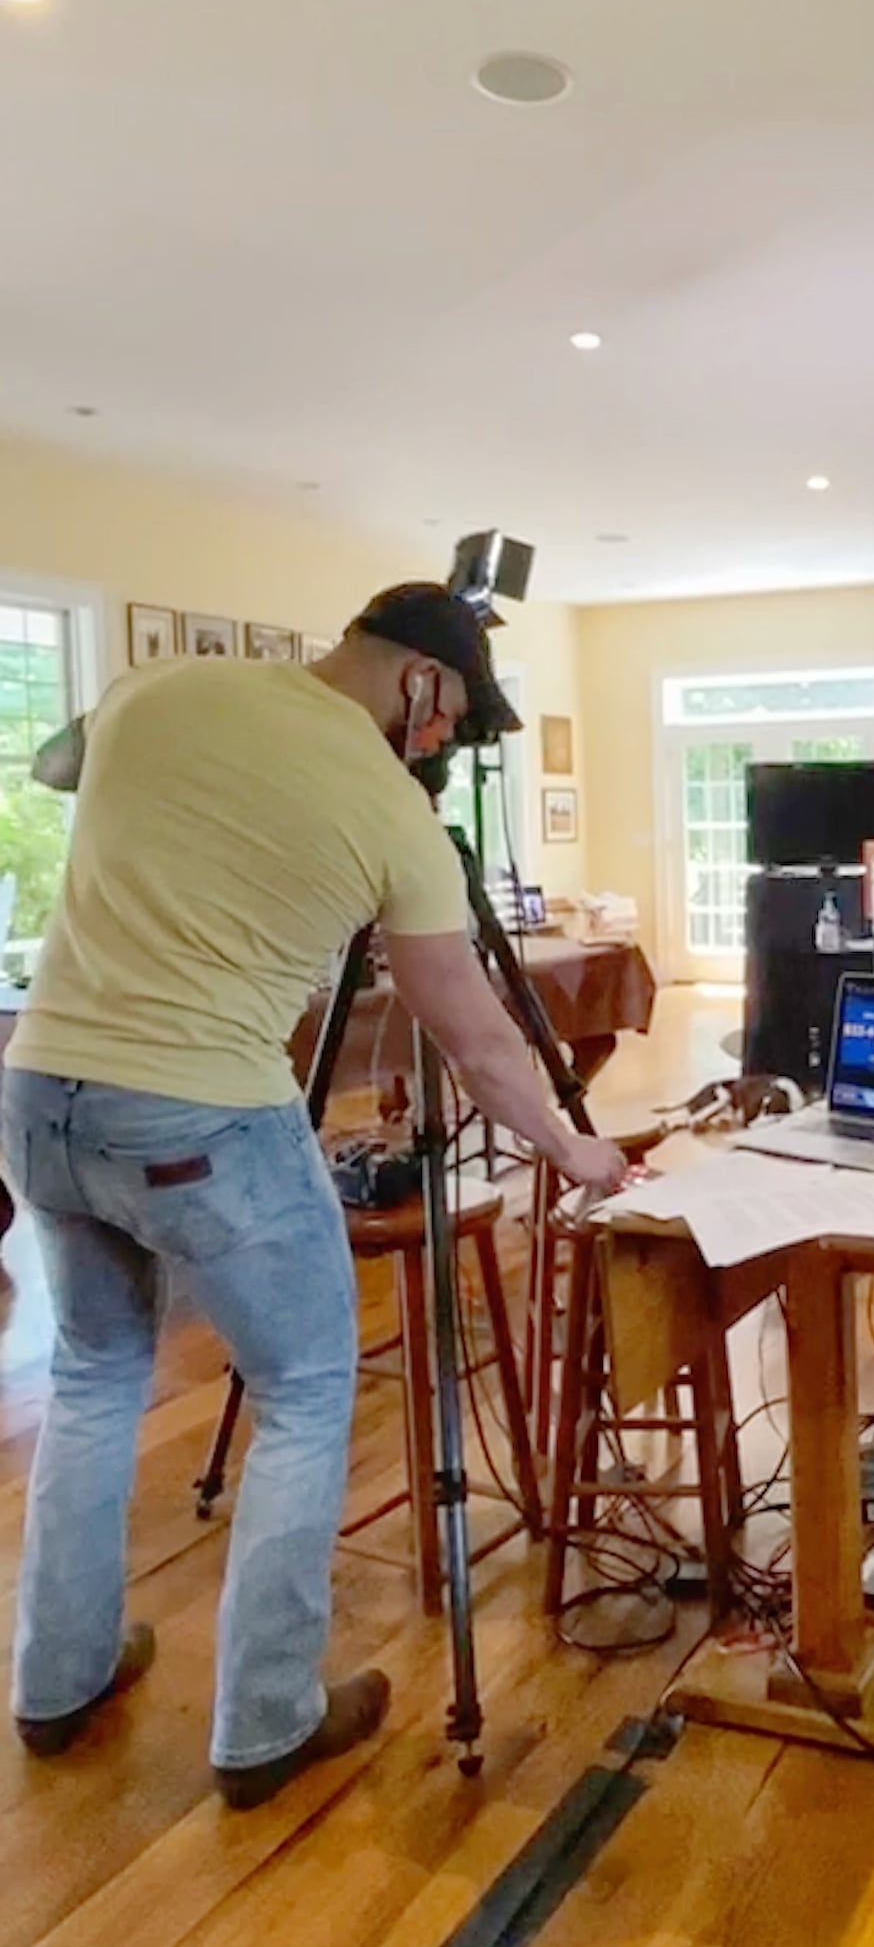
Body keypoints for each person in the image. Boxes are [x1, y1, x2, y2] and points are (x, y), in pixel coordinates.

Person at [0, 583, 627, 1808]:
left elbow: (52, 762)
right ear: (421, 684)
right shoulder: (393, 813)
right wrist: (570, 1148)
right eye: (449, 725)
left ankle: (56, 1680)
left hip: (38, 1090)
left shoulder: (157, 686)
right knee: (303, 1391)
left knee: (91, 1376)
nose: (441, 749)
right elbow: (477, 1042)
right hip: (200, 1108)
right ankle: (266, 1723)